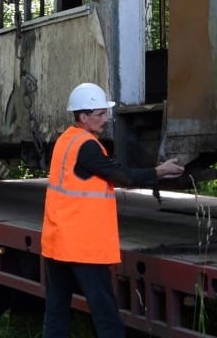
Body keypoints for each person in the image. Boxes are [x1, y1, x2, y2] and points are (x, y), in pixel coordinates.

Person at [41, 82, 185, 338]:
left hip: (57, 243)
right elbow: (123, 176)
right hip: (82, 248)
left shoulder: (66, 140)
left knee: (56, 313)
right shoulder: (87, 146)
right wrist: (159, 172)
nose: (107, 119)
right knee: (107, 317)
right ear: (83, 117)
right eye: (100, 114)